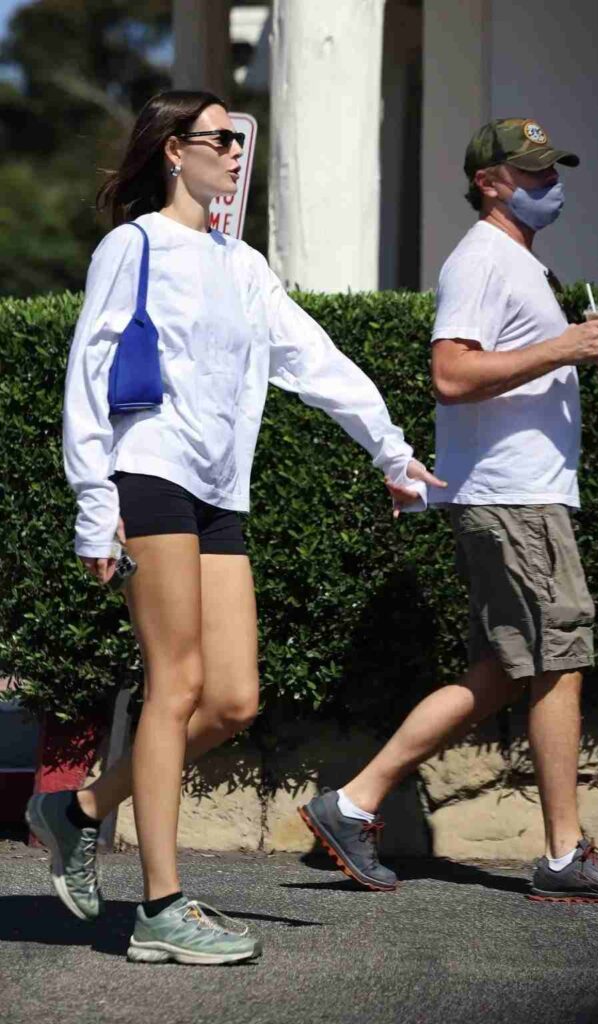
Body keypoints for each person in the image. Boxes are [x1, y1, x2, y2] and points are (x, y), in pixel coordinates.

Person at [25, 90, 441, 965]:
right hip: (150, 472)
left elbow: (312, 358)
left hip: (221, 490)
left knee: (233, 700)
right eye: (222, 139)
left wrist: (390, 453)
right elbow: (88, 373)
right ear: (175, 151)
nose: (235, 153)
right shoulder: (132, 246)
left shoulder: (241, 264)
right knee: (173, 687)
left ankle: (82, 810)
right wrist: (94, 507)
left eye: (241, 140)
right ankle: (160, 911)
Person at [301, 118, 598, 905]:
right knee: (557, 660)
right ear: (490, 182)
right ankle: (565, 856)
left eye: (550, 172)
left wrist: (565, 349)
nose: (548, 185)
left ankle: (352, 802)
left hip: (517, 495)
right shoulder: (482, 260)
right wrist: (563, 347)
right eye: (532, 175)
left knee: (503, 670)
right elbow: (451, 373)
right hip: (513, 498)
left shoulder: (517, 261)